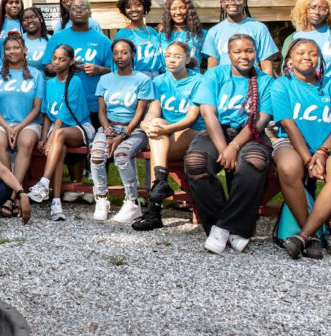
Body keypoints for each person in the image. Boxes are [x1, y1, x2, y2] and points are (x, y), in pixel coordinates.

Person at [186, 34, 274, 254]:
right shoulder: (215, 74)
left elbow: (261, 120)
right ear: (228, 53)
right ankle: (228, 226)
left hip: (250, 134)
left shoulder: (265, 81)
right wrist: (225, 148)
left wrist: (234, 148)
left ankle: (224, 228)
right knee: (196, 162)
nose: (244, 56)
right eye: (238, 51)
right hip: (217, 132)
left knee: (254, 162)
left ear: (256, 52)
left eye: (249, 51)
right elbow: (208, 113)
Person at [272, 39, 331, 260]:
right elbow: (288, 124)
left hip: (329, 145)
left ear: (320, 59)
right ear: (289, 59)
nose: (307, 57)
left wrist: (322, 153)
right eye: (300, 53)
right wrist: (309, 160)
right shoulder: (282, 85)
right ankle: (315, 235)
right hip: (291, 142)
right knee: (288, 168)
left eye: (313, 53)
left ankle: (304, 236)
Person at [136, 41, 204, 231]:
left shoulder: (198, 80)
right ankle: (160, 183)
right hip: (165, 136)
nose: (171, 60)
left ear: (187, 59)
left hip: (192, 134)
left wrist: (161, 130)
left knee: (158, 135)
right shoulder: (159, 81)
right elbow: (154, 111)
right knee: (156, 126)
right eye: (167, 56)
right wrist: (146, 124)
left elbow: (191, 119)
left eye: (177, 56)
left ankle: (153, 211)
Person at [90, 39, 154, 222]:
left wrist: (123, 134)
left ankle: (132, 201)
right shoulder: (105, 79)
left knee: (121, 155)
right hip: (109, 126)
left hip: (134, 129)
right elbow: (101, 110)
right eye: (116, 53)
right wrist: (107, 129)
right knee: (96, 155)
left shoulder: (142, 80)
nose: (120, 56)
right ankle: (101, 199)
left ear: (133, 54)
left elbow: (141, 113)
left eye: (124, 52)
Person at [30, 45, 95, 221]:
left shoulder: (75, 81)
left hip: (79, 127)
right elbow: (46, 115)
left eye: (62, 59)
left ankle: (44, 182)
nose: (57, 62)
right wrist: (44, 138)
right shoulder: (48, 83)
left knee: (58, 138)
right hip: (59, 131)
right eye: (55, 58)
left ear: (71, 62)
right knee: (58, 152)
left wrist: (51, 137)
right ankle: (56, 203)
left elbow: (64, 112)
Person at [0, 32, 44, 218]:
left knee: (26, 142)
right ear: (3, 51)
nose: (12, 52)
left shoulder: (36, 75)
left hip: (28, 122)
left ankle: (10, 196)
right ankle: (17, 192)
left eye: (16, 48)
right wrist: (7, 127)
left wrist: (18, 128)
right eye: (8, 48)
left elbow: (36, 108)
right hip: (0, 122)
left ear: (24, 50)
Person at [43, 0, 112, 116]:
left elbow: (115, 71)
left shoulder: (103, 41)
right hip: (63, 102)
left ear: (90, 13)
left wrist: (99, 70)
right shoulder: (57, 38)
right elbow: (46, 68)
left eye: (83, 8)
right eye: (74, 8)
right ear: (69, 13)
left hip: (93, 104)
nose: (78, 11)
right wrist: (65, 67)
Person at [201, 0, 278, 74]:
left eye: (238, 0)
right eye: (227, 0)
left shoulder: (259, 28)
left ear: (245, 2)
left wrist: (266, 85)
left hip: (252, 82)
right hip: (224, 84)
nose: (233, 3)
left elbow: (266, 63)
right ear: (221, 3)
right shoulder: (214, 31)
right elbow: (212, 67)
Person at [114, 0, 164, 77]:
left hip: (158, 78)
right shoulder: (122, 35)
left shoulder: (151, 31)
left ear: (144, 7)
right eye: (128, 7)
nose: (133, 9)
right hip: (136, 79)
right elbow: (117, 64)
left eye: (138, 5)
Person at [158, 0, 207, 68]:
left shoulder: (201, 33)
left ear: (189, 10)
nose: (178, 12)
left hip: (193, 77)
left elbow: (211, 59)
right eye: (174, 9)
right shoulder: (161, 35)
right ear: (169, 12)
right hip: (168, 77)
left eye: (182, 8)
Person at [19, 7, 49, 72]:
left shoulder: (51, 40)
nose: (29, 21)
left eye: (33, 17)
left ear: (41, 19)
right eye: (25, 19)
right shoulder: (17, 40)